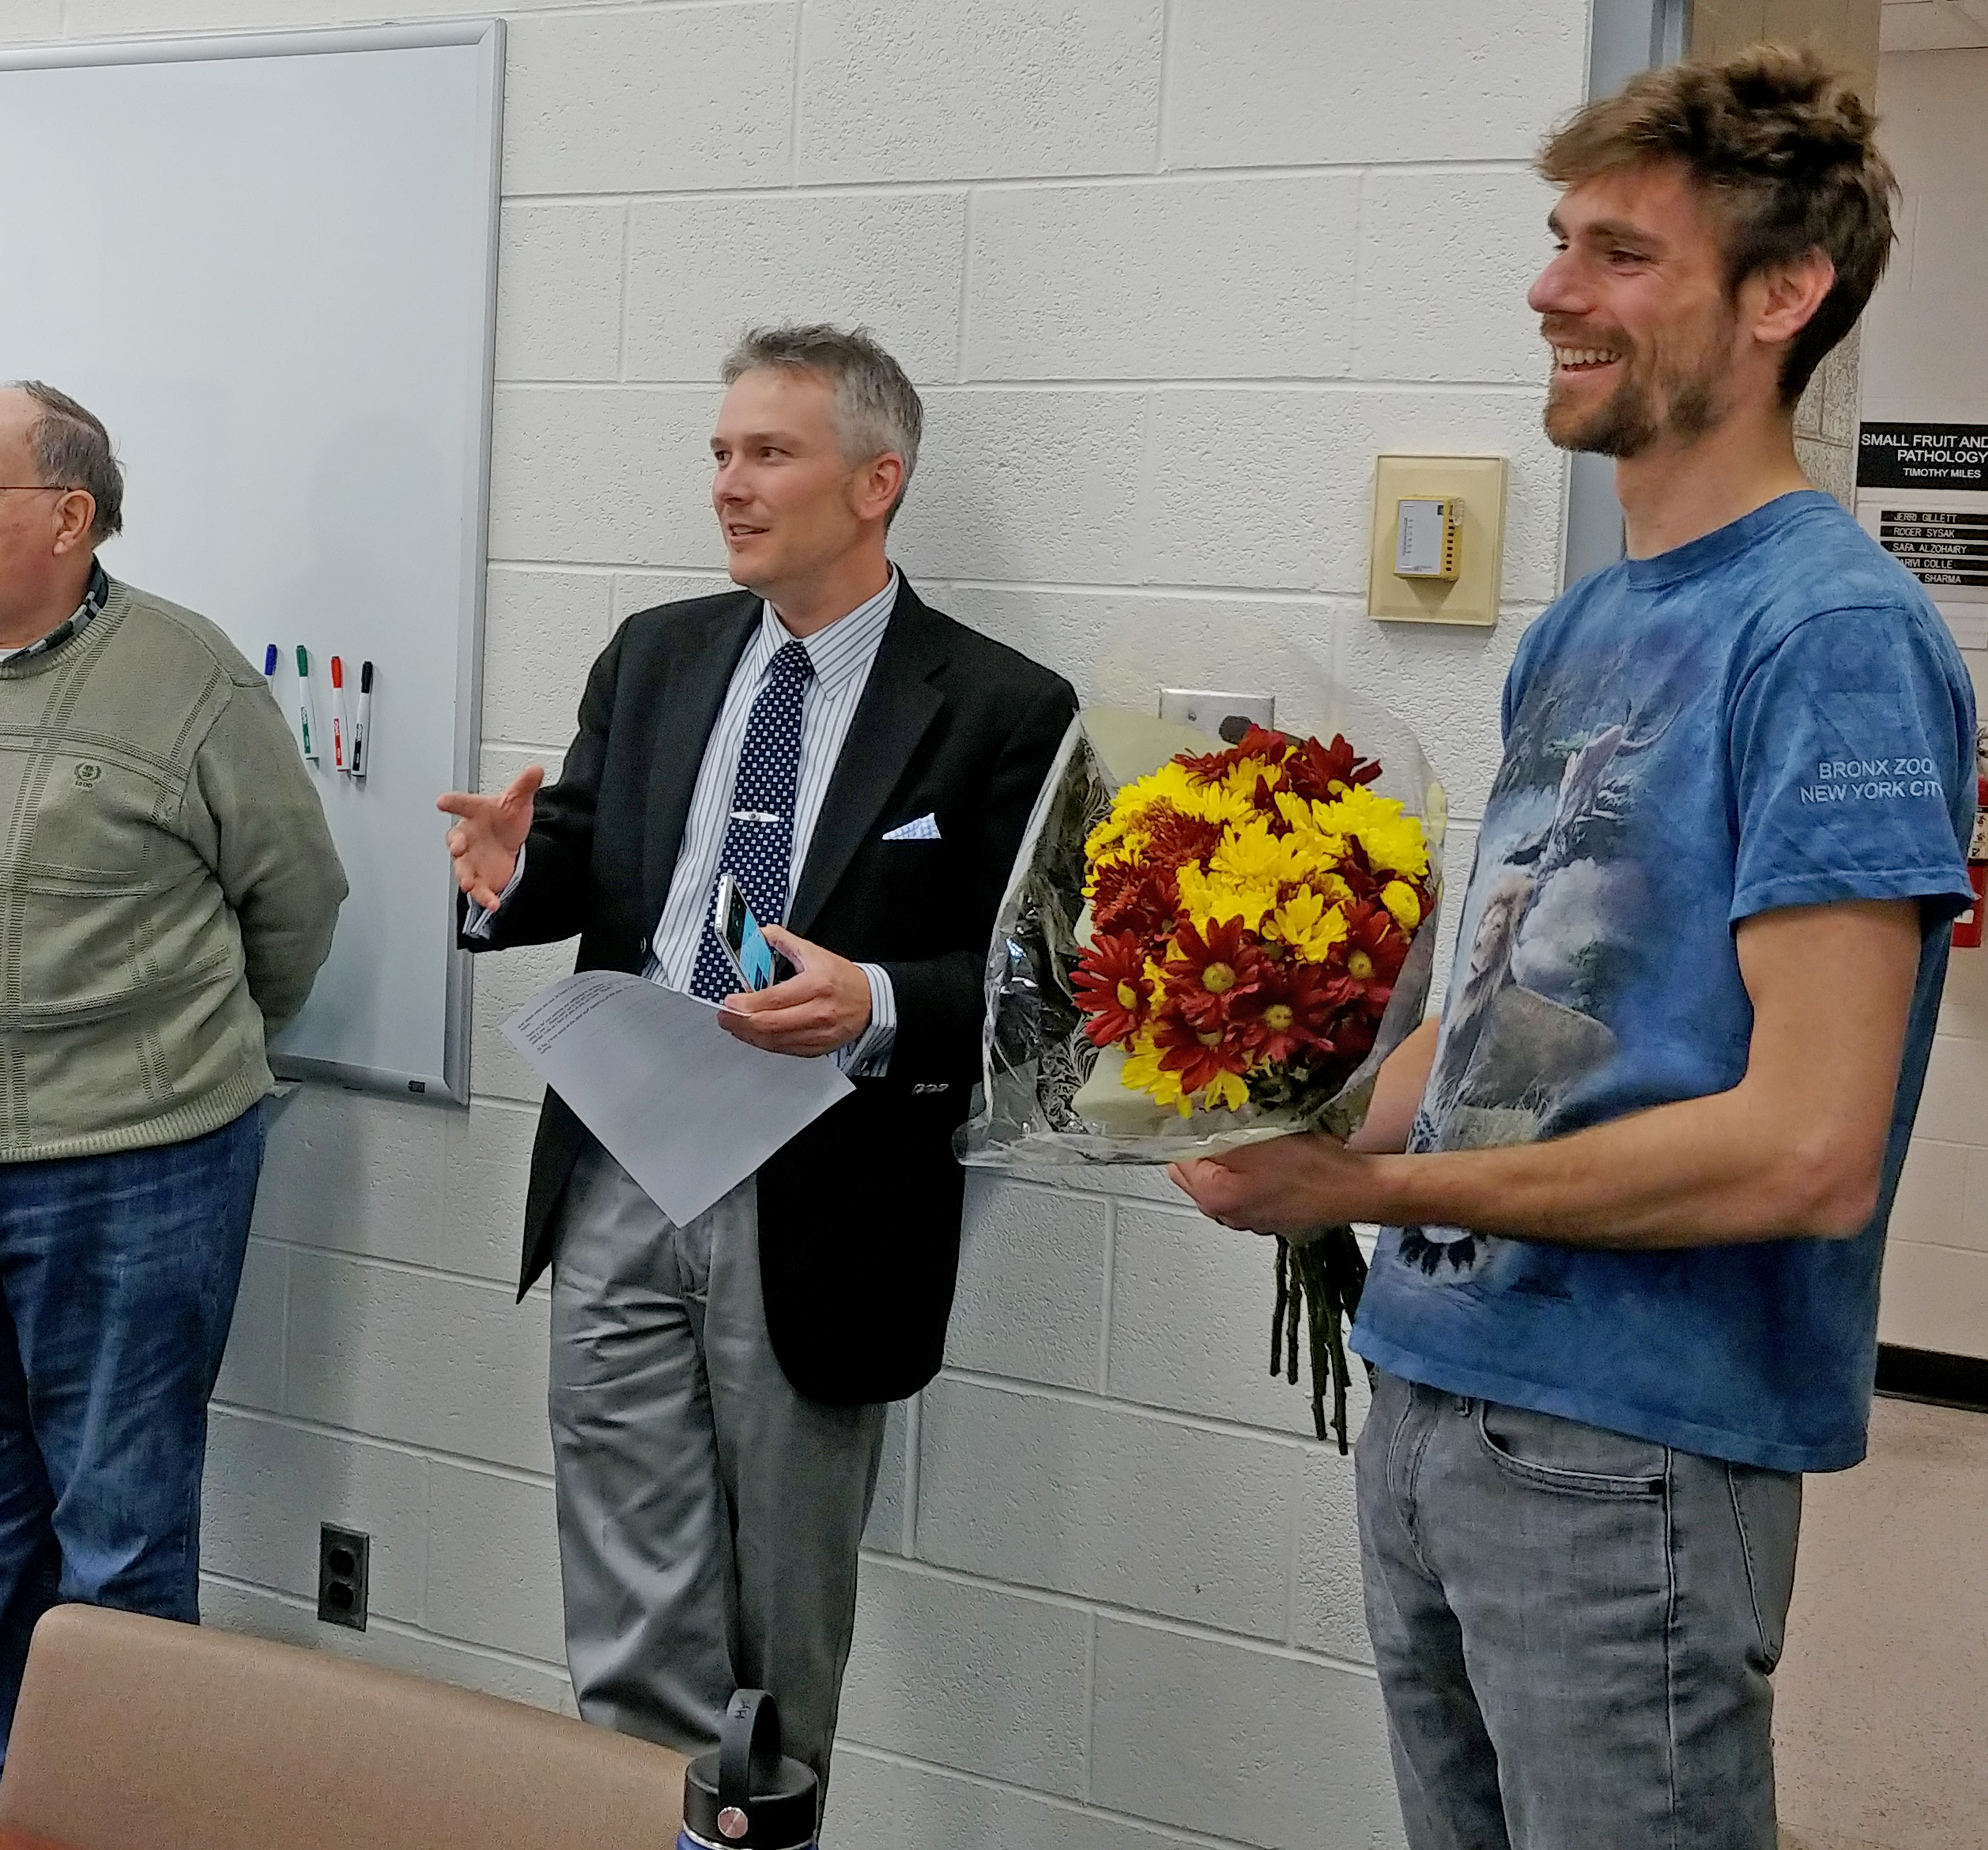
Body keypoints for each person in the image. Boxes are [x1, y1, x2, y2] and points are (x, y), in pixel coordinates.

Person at [1170, 46, 1971, 1850]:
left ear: (1780, 297)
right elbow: (1478, 1036)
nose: (1548, 287)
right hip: (1435, 1397)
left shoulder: (1828, 636)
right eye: (1557, 242)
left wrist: (1386, 1175)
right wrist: (1300, 1146)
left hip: (1631, 1455)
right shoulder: (1583, 630)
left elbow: (1808, 1141)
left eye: (1618, 253)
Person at [439, 325, 1077, 1784]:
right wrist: (507, 878)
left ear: (876, 481)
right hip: (621, 1160)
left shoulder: (995, 707)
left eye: (767, 453)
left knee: (778, 1638)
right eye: (720, 453)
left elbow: (1044, 993)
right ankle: (639, 1823)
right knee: (623, 1598)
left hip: (816, 1190)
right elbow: (592, 860)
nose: (728, 484)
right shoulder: (655, 655)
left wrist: (880, 1001)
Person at [0, 381, 344, 1817]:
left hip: (126, 1165)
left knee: (118, 1532)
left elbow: (293, 907)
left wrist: (172, 1064)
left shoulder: (187, 677)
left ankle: (118, 1811)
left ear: (71, 515)